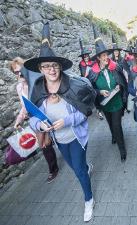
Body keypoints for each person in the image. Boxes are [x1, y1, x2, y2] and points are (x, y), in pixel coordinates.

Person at [25, 22, 95, 222]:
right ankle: (86, 169)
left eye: (54, 65)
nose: (51, 69)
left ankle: (88, 200)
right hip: (59, 140)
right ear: (40, 68)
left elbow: (85, 112)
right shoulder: (38, 89)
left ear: (59, 67)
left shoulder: (72, 85)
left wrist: (66, 120)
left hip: (76, 136)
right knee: (74, 167)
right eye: (46, 66)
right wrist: (40, 125)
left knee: (79, 170)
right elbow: (33, 118)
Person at [9, 57, 59, 184]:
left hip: (48, 112)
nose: (19, 74)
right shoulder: (19, 87)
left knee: (53, 139)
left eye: (21, 70)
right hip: (35, 118)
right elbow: (24, 106)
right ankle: (53, 169)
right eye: (16, 72)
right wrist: (19, 119)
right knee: (44, 145)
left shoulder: (37, 80)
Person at [88, 25, 128, 162]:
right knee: (110, 124)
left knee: (117, 125)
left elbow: (123, 82)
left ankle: (122, 149)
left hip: (116, 102)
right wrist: (99, 91)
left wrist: (120, 90)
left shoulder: (115, 67)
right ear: (98, 58)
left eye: (106, 55)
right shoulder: (93, 72)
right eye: (103, 56)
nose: (106, 58)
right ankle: (113, 135)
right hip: (105, 104)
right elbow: (90, 89)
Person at [78, 38, 104, 120]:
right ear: (82, 57)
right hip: (88, 83)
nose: (86, 57)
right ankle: (99, 111)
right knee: (94, 96)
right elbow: (82, 74)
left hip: (96, 81)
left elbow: (97, 69)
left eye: (87, 56)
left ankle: (102, 107)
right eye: (84, 56)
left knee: (99, 95)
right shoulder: (81, 64)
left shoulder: (93, 62)